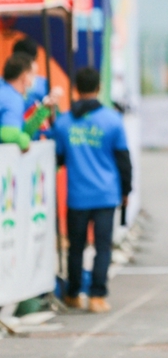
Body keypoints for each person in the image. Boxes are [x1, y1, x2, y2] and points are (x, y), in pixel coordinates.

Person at [51, 67, 132, 313]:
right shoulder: (113, 120)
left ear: (76, 89)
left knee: (75, 248)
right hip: (106, 194)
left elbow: (58, 158)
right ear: (99, 88)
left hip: (77, 196)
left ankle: (73, 294)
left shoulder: (63, 122)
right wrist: (126, 191)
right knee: (102, 247)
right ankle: (97, 297)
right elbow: (123, 160)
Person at [0, 53, 34, 151]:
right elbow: (7, 132)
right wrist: (23, 140)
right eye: (32, 74)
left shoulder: (4, 90)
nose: (33, 80)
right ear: (24, 76)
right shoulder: (13, 98)